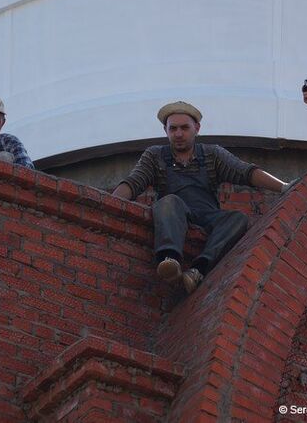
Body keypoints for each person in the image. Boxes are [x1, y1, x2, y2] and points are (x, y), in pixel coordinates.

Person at [112, 102, 289, 294]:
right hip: (175, 213)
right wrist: (110, 204)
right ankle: (169, 259)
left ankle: (198, 269)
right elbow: (134, 182)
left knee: (238, 219)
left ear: (196, 128)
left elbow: (245, 172)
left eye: (184, 128)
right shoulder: (155, 155)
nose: (178, 134)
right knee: (168, 202)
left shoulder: (212, 154)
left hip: (207, 215)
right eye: (173, 129)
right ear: (165, 130)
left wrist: (284, 187)